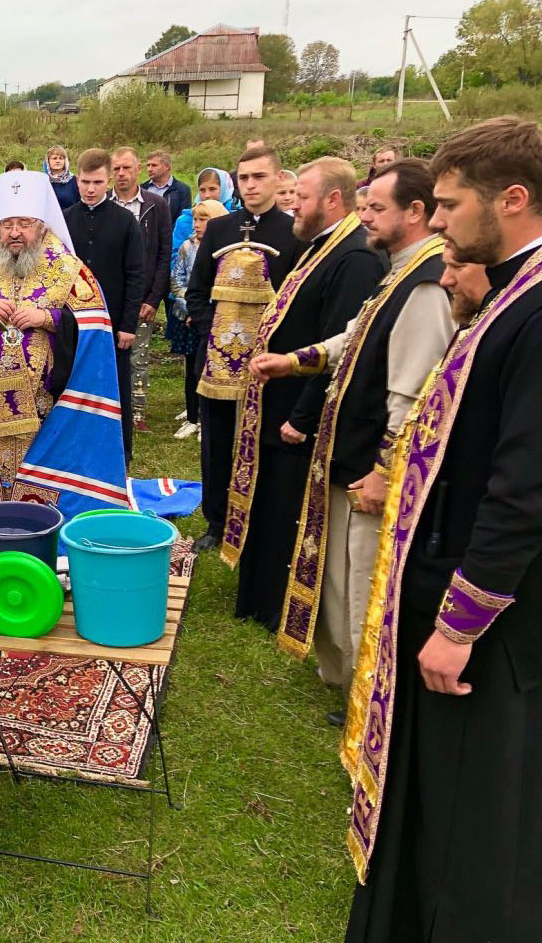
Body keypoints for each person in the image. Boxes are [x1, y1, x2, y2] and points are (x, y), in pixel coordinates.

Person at [342, 116, 542, 943]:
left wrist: (458, 626)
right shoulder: (512, 292)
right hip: (454, 582)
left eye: (453, 205)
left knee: (472, 813)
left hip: (486, 620)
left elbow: (523, 489)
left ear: (515, 199)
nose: (441, 221)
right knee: (438, 800)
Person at [251, 159, 452, 723]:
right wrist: (295, 362)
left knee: (364, 582)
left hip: (370, 465)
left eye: (378, 208)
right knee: (337, 575)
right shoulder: (398, 270)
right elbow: (353, 338)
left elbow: (410, 395)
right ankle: (343, 678)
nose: (366, 217)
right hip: (346, 455)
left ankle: (368, 702)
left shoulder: (426, 284)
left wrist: (388, 471)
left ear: (416, 213)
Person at [221, 156, 385, 632]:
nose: (292, 205)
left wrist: (304, 414)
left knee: (286, 511)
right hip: (280, 397)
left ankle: (278, 605)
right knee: (269, 502)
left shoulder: (353, 257)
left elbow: (340, 343)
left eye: (303, 197)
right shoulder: (320, 245)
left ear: (333, 199)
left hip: (297, 410)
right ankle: (258, 597)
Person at [0, 171, 128, 530]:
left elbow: (95, 330)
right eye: (7, 224)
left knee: (39, 468)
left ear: (42, 224)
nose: (14, 233)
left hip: (46, 404)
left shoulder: (69, 270)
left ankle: (40, 529)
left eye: (24, 224)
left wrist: (48, 318)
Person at [185, 146, 305, 553]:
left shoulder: (294, 234)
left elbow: (296, 300)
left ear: (277, 180)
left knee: (260, 439)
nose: (251, 185)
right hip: (217, 361)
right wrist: (213, 334)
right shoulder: (220, 230)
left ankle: (258, 520)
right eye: (245, 178)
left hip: (267, 361)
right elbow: (197, 290)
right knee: (217, 444)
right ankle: (217, 523)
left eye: (260, 177)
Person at [63, 149, 143, 460]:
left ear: (108, 181)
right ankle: (76, 450)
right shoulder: (65, 219)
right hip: (74, 322)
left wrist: (128, 325)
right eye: (85, 182)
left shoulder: (125, 221)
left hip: (113, 322)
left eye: (97, 182)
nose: (91, 188)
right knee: (73, 382)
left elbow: (136, 274)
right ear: (77, 181)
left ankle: (119, 451)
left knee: (115, 384)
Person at [111, 145, 172, 435]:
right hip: (110, 296)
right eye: (116, 169)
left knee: (139, 355)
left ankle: (136, 412)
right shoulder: (105, 205)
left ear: (137, 170)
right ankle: (111, 409)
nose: (121, 174)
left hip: (143, 295)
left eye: (126, 168)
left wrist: (153, 297)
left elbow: (163, 254)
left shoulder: (155, 206)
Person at [169, 199, 228, 439]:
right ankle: (192, 418)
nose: (198, 224)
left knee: (210, 369)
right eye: (196, 219)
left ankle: (208, 421)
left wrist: (204, 310)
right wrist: (191, 307)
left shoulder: (225, 249)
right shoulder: (187, 246)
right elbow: (176, 280)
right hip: (188, 317)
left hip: (215, 318)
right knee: (192, 369)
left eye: (204, 219)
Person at [171, 166, 238, 254]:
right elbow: (175, 255)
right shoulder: (185, 220)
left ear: (224, 190)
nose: (207, 195)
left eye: (212, 189)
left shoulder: (236, 218)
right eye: (202, 190)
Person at [143, 149, 192, 220]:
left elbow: (183, 218)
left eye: (154, 165)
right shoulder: (142, 188)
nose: (149, 169)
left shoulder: (182, 190)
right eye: (148, 165)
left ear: (167, 167)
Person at [45, 145, 79, 210]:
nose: (58, 161)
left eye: (61, 158)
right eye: (54, 158)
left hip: (69, 218)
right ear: (48, 161)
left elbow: (79, 202)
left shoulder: (73, 180)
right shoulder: (44, 180)